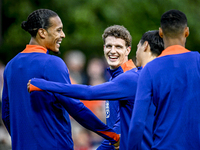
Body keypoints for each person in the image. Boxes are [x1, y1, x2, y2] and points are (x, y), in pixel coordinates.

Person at [1, 9, 120, 150]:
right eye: (58, 30)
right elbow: (75, 107)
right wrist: (111, 135)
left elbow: (6, 114)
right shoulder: (53, 63)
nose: (62, 35)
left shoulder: (11, 66)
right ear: (42, 32)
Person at [28, 30, 164, 149]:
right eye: (109, 46)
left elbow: (89, 93)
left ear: (144, 46)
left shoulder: (132, 78)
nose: (112, 51)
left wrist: (43, 85)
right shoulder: (156, 78)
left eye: (118, 46)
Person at [127, 9, 200, 150]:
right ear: (186, 32)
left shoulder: (150, 69)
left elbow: (137, 122)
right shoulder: (198, 61)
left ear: (161, 32)